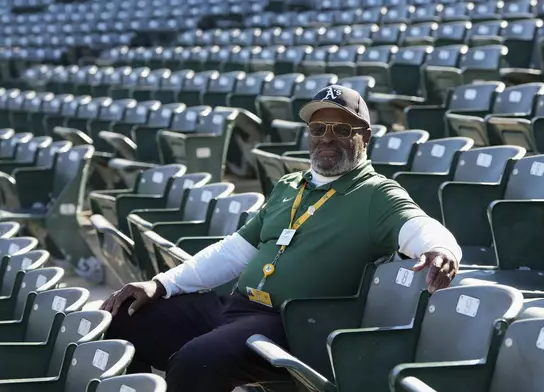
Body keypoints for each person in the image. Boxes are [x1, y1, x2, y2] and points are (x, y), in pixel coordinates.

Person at [100, 85, 463, 392]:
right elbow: (233, 251)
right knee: (122, 319)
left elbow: (421, 227)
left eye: (341, 129)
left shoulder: (377, 194)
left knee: (198, 362)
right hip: (237, 307)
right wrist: (160, 285)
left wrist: (441, 250)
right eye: (318, 129)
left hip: (290, 324)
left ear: (364, 136)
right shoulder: (291, 185)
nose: (327, 139)